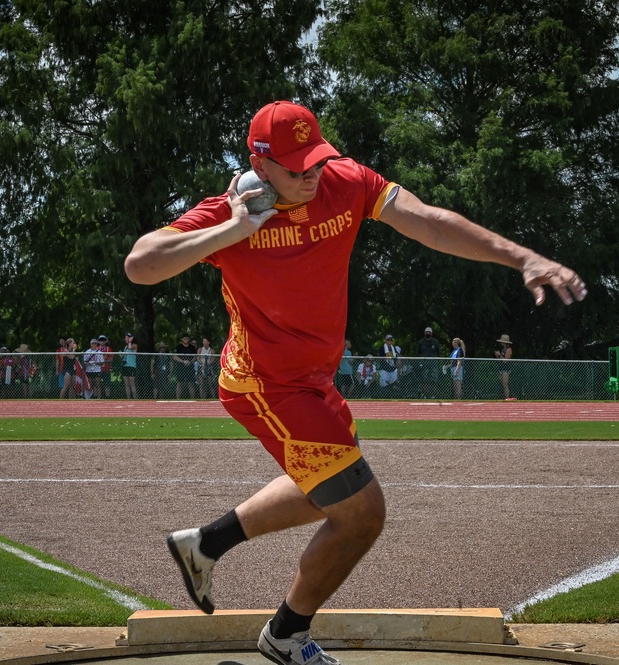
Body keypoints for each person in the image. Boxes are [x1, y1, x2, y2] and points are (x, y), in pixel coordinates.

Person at [123, 100, 586, 664]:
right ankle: (286, 636)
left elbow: (431, 221)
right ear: (260, 165)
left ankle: (205, 545)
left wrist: (522, 259)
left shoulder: (345, 183)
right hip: (265, 382)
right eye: (297, 168)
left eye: (316, 159)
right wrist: (231, 230)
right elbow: (141, 264)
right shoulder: (229, 214)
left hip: (315, 379)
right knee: (361, 512)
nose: (312, 176)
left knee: (331, 487)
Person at [416, 327, 442, 399]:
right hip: (424, 364)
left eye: (429, 332)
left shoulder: (435, 342)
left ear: (431, 333)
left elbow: (439, 353)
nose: (428, 333)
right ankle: (424, 394)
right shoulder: (421, 342)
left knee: (434, 380)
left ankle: (434, 395)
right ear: (424, 333)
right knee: (424, 380)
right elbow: (417, 353)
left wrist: (437, 362)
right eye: (427, 332)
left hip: (433, 364)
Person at [173, 334, 198, 398]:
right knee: (179, 384)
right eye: (184, 338)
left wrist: (191, 362)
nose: (185, 339)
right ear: (182, 339)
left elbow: (195, 356)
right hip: (180, 367)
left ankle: (193, 399)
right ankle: (178, 399)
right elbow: (175, 356)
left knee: (191, 384)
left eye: (187, 338)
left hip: (190, 368)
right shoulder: (178, 347)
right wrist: (183, 361)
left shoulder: (192, 347)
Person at [494, 334, 514, 400]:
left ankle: (507, 398)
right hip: (501, 368)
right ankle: (505, 397)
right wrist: (497, 356)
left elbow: (505, 361)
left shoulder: (509, 349)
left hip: (506, 369)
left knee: (505, 384)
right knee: (502, 384)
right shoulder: (503, 349)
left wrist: (500, 355)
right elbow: (500, 360)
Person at [121, 333, 139, 399]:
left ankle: (135, 399)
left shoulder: (134, 345)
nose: (125, 339)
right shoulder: (125, 347)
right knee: (126, 385)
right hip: (125, 366)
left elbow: (130, 347)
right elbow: (124, 356)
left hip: (131, 366)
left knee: (132, 384)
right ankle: (128, 399)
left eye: (126, 337)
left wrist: (130, 341)